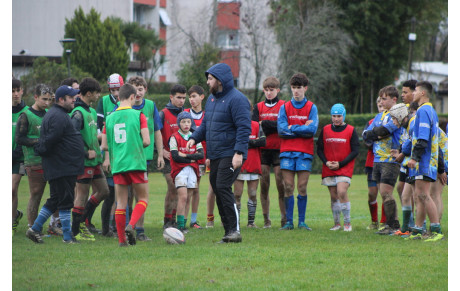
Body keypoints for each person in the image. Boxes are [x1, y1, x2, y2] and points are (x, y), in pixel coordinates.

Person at [187, 63, 251, 243]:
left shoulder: (238, 99)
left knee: (222, 186)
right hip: (215, 154)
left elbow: (244, 128)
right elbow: (206, 124)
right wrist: (194, 138)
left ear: (220, 80)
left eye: (210, 79)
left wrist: (239, 153)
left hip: (231, 153)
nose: (208, 83)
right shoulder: (212, 99)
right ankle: (228, 231)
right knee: (217, 188)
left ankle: (235, 231)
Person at [26, 85, 85, 244]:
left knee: (55, 199)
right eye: (71, 97)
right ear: (61, 99)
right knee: (66, 200)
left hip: (61, 166)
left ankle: (35, 228)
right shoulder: (58, 116)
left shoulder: (58, 114)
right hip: (62, 166)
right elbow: (50, 140)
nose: (74, 99)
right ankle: (67, 237)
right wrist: (40, 149)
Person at [101, 84, 150, 247]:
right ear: (131, 97)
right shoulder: (138, 115)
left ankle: (122, 240)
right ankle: (132, 225)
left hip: (118, 165)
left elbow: (104, 146)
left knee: (120, 203)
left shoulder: (109, 118)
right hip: (136, 162)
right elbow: (146, 141)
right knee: (142, 198)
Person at [277, 73, 318, 231]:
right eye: (293, 88)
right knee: (288, 186)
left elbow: (312, 130)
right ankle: (289, 222)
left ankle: (301, 222)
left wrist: (292, 127)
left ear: (305, 88)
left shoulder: (311, 107)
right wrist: (303, 127)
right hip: (287, 151)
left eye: (299, 88)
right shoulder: (284, 107)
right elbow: (281, 130)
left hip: (304, 152)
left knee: (302, 187)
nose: (296, 91)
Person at [125, 76, 164, 240]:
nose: (138, 92)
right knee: (127, 196)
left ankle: (139, 230)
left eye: (140, 89)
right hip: (126, 158)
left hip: (144, 159)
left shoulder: (150, 106)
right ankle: (124, 228)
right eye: (134, 89)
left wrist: (160, 154)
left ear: (145, 90)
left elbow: (157, 131)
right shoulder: (123, 108)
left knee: (141, 195)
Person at [70, 77, 109, 241]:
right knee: (81, 195)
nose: (98, 95)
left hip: (96, 161)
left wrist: (107, 137)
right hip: (84, 161)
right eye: (96, 93)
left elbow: (93, 135)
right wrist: (85, 153)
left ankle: (82, 220)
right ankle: (76, 230)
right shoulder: (77, 113)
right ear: (88, 93)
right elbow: (72, 136)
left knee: (104, 191)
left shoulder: (91, 111)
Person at [405, 81, 443, 241]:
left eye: (415, 91)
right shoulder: (430, 110)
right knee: (420, 195)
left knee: (424, 195)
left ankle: (436, 231)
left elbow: (423, 137)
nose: (412, 94)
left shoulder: (424, 110)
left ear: (422, 93)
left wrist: (415, 158)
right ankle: (418, 231)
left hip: (425, 161)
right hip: (427, 160)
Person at [363, 85, 403, 235]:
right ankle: (390, 224)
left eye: (384, 99)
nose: (381, 101)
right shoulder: (379, 116)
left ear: (394, 99)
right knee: (383, 193)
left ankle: (393, 226)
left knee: (386, 192)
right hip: (377, 159)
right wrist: (377, 133)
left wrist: (378, 133)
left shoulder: (397, 114)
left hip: (390, 160)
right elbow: (366, 134)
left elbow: (386, 130)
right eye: (380, 99)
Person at [15, 84, 53, 232]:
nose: (47, 103)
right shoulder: (26, 115)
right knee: (36, 194)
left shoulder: (49, 113)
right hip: (33, 161)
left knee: (56, 193)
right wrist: (40, 141)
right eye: (44, 99)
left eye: (50, 99)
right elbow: (19, 138)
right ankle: (32, 227)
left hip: (50, 160)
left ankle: (54, 224)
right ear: (35, 97)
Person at [317, 104, 359, 231]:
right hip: (329, 168)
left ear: (344, 115)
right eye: (334, 116)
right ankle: (337, 224)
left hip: (344, 168)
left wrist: (341, 164)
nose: (336, 119)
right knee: (333, 196)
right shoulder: (325, 129)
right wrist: (326, 162)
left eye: (339, 116)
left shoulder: (351, 130)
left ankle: (347, 223)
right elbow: (319, 149)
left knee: (341, 191)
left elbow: (355, 150)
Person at [252, 76, 286, 228]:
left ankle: (284, 219)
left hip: (279, 149)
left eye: (271, 90)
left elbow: (282, 126)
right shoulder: (258, 107)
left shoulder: (284, 106)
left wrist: (265, 123)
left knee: (281, 184)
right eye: (266, 90)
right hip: (263, 150)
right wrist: (271, 125)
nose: (269, 93)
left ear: (277, 90)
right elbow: (254, 126)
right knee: (264, 184)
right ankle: (266, 220)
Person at [96, 73, 124, 237]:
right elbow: (101, 131)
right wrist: (106, 156)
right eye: (112, 89)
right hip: (108, 153)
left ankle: (115, 226)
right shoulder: (104, 102)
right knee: (108, 192)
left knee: (118, 193)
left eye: (118, 89)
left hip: (121, 153)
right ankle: (104, 227)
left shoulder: (126, 101)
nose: (115, 93)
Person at [169, 111, 204, 232]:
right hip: (180, 171)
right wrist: (191, 157)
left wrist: (184, 155)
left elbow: (201, 155)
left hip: (192, 170)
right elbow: (175, 156)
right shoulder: (174, 137)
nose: (186, 124)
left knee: (188, 198)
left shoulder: (195, 137)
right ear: (179, 123)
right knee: (183, 197)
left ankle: (183, 224)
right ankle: (180, 226)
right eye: (183, 122)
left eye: (188, 121)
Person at [160, 84, 186, 229]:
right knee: (173, 187)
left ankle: (174, 220)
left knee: (180, 189)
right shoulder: (162, 114)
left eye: (183, 98)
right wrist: (161, 151)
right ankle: (167, 220)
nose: (181, 101)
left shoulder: (186, 114)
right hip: (168, 159)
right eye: (178, 98)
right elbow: (153, 133)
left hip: (182, 158)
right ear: (171, 97)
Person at [233, 115, 266, 228]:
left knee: (252, 194)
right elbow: (233, 141)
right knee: (237, 194)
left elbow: (262, 141)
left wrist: (246, 142)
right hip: (239, 164)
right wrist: (253, 141)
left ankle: (251, 222)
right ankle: (235, 222)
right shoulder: (235, 124)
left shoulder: (256, 125)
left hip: (254, 163)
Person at [184, 85, 207, 229]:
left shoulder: (207, 115)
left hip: (201, 158)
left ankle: (193, 221)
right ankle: (180, 219)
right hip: (185, 157)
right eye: (190, 97)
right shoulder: (185, 114)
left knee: (196, 188)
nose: (191, 100)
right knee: (184, 189)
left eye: (194, 96)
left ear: (202, 97)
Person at [363, 97, 385, 230]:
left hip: (386, 162)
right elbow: (367, 139)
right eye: (379, 106)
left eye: (383, 106)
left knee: (384, 192)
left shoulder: (392, 122)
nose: (381, 108)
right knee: (372, 193)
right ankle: (374, 221)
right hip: (372, 163)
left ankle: (384, 222)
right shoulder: (371, 122)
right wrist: (378, 139)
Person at [12, 79, 28, 234]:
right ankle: (15, 214)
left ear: (22, 91)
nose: (15, 94)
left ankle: (11, 223)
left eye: (18, 90)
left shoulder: (26, 112)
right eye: (12, 91)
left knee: (11, 188)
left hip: (19, 157)